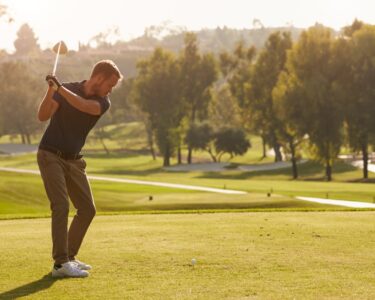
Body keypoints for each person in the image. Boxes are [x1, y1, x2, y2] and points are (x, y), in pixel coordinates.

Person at [37, 60, 122, 278]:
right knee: (61, 205)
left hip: (74, 160)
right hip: (50, 155)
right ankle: (60, 264)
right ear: (99, 77)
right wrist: (50, 91)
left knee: (87, 209)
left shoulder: (102, 102)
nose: (110, 90)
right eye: (110, 85)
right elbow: (43, 116)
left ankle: (70, 257)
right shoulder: (66, 88)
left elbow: (84, 106)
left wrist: (59, 89)